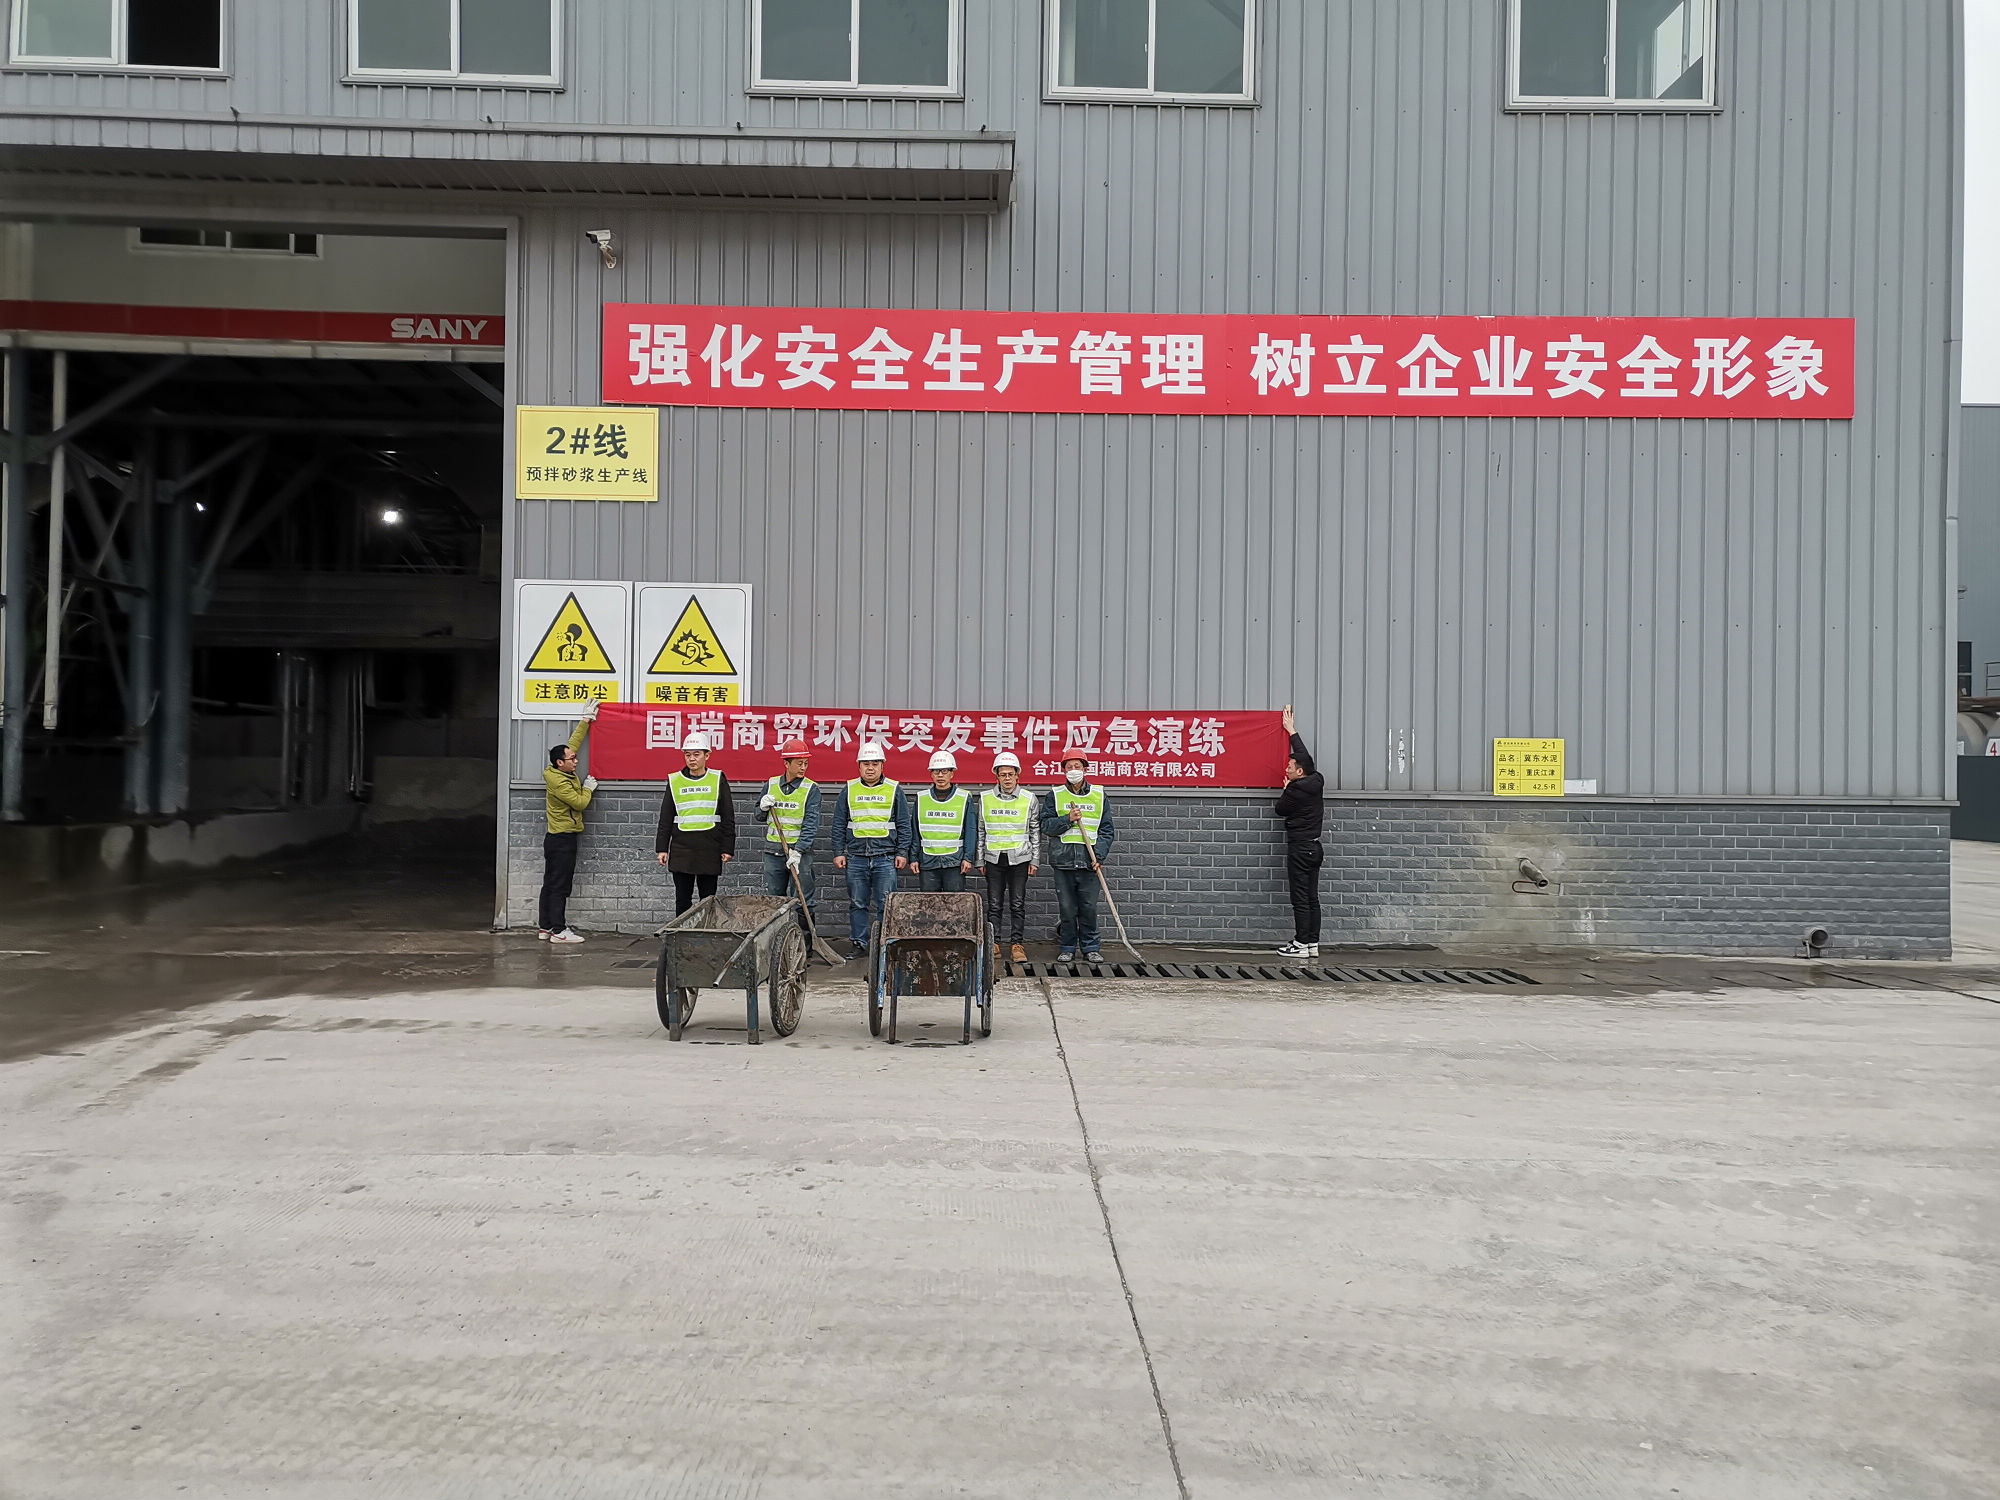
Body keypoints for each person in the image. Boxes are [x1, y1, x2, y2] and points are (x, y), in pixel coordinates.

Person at [830, 741, 910, 953]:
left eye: (875, 763)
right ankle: (859, 943)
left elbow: (904, 824)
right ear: (859, 766)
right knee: (858, 903)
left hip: (886, 857)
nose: (870, 768)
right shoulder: (849, 789)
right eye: (866, 764)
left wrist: (902, 852)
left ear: (883, 765)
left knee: (886, 904)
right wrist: (838, 852)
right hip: (856, 857)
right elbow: (838, 823)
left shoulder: (894, 789)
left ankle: (886, 945)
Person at [1040, 751, 1115, 964]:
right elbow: (1046, 826)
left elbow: (1107, 830)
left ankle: (1091, 948)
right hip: (1063, 862)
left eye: (1077, 766)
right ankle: (1067, 947)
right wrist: (1068, 819)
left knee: (1089, 908)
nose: (1073, 770)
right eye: (1069, 767)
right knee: (1067, 909)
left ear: (1085, 769)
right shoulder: (1055, 795)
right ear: (1063, 770)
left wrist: (1099, 855)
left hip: (1090, 862)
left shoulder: (1099, 795)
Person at [654, 731, 736, 916]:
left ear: (707, 756)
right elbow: (666, 817)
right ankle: (681, 932)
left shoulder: (717, 778)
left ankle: (706, 932)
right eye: (688, 754)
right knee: (682, 900)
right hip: (682, 848)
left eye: (696, 754)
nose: (692, 759)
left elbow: (728, 816)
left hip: (709, 847)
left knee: (708, 900)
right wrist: (662, 848)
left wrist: (727, 848)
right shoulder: (675, 780)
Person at [539, 700, 600, 943]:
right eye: (572, 759)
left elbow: (573, 743)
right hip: (562, 840)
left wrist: (586, 720)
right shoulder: (560, 783)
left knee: (550, 883)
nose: (576, 761)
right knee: (560, 886)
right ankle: (559, 931)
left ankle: (545, 927)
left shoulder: (558, 769)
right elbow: (579, 803)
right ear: (560, 763)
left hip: (555, 838)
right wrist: (588, 789)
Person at [1274, 703, 1326, 958]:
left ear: (1299, 772)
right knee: (1312, 898)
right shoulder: (1317, 780)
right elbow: (1305, 756)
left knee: (1300, 899)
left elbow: (1280, 810)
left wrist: (1286, 789)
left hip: (1300, 849)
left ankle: (1301, 944)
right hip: (1315, 847)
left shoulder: (1294, 791)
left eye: (1290, 767)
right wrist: (1291, 730)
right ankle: (1312, 943)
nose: (1287, 769)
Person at [978, 750, 1038, 966]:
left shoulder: (1029, 799)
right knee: (994, 904)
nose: (1007, 778)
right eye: (1002, 774)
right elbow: (981, 830)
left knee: (1017, 903)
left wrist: (1035, 860)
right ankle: (994, 943)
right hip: (994, 859)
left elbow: (1035, 831)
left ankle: (1016, 945)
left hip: (1020, 859)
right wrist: (979, 860)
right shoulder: (985, 798)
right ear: (996, 776)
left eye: (1010, 774)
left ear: (1017, 775)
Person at [756, 739, 820, 934]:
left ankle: (806, 944)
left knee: (803, 900)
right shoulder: (771, 785)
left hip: (800, 855)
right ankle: (776, 940)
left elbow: (811, 824)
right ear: (786, 763)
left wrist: (798, 851)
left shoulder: (811, 789)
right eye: (799, 763)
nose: (803, 767)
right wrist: (762, 807)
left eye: (806, 763)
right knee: (774, 900)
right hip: (773, 853)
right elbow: (758, 816)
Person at [909, 749, 977, 892]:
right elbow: (915, 831)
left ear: (952, 773)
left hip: (955, 862)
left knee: (954, 904)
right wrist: (913, 858)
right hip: (927, 861)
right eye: (936, 771)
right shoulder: (921, 798)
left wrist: (968, 858)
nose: (940, 775)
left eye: (944, 771)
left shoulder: (964, 798)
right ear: (931, 774)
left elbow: (971, 831)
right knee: (928, 903)